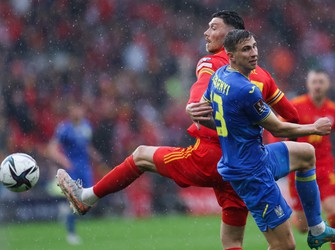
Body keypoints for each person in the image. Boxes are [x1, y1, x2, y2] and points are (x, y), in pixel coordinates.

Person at [56, 11, 299, 250]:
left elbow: (201, 87)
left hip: (210, 157)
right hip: (242, 166)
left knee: (141, 155)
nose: (207, 32)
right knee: (235, 241)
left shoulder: (212, 61)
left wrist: (193, 104)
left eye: (214, 27)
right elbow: (292, 116)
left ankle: (87, 197)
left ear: (230, 35)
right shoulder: (263, 75)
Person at [191, 29, 335, 249]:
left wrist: (225, 125)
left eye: (254, 46)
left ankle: (317, 230)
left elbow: (207, 109)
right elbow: (279, 128)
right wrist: (314, 127)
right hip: (252, 174)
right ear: (231, 56)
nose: (254, 53)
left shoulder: (219, 76)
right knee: (285, 246)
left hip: (254, 157)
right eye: (246, 49)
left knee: (305, 154)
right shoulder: (246, 91)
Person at [287, 69, 335, 250]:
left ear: (328, 85)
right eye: (314, 82)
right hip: (299, 167)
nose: (317, 86)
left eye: (321, 82)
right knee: (303, 228)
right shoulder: (295, 105)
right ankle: (294, 217)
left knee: (333, 211)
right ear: (308, 84)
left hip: (325, 167)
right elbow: (279, 129)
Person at [48, 102, 103, 245]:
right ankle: (71, 233)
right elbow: (51, 149)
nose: (77, 112)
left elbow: (86, 146)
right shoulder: (64, 128)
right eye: (75, 109)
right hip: (72, 169)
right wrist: (64, 160)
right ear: (70, 112)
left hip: (86, 168)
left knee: (90, 201)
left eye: (79, 109)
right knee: (76, 201)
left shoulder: (86, 127)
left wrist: (95, 155)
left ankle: (65, 212)